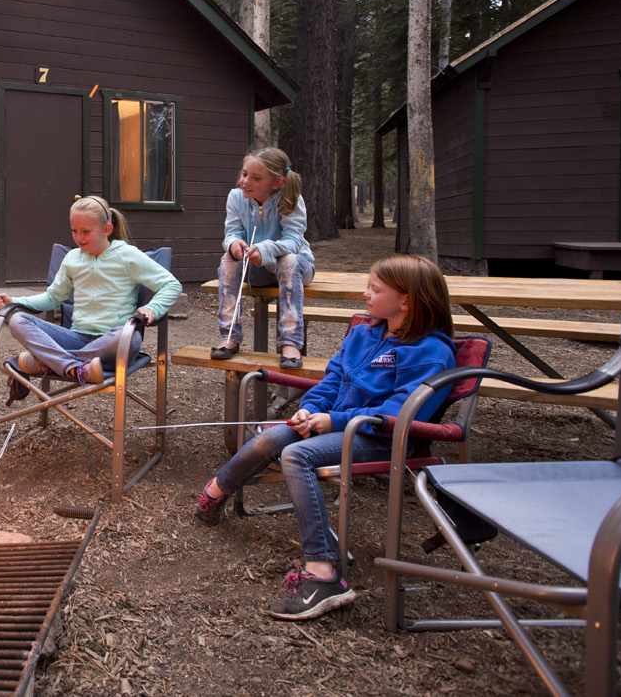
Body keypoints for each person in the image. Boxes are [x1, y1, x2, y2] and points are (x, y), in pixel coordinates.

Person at [194, 255, 457, 620]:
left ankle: (323, 574)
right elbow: (332, 380)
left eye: (375, 289)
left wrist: (332, 421)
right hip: (337, 425)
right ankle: (214, 493)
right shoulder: (365, 333)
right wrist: (309, 409)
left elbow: (399, 414)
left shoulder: (431, 351)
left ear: (406, 300)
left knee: (296, 456)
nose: (365, 294)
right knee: (275, 435)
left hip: (382, 439)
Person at [0, 196, 181, 385]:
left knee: (128, 337)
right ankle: (75, 368)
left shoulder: (127, 255)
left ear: (107, 229)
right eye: (74, 231)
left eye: (86, 232)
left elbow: (171, 285)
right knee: (17, 320)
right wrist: (15, 301)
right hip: (77, 337)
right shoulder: (73, 258)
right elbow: (54, 297)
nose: (78, 238)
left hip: (114, 341)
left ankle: (48, 362)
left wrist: (153, 308)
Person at [211, 146, 316, 370]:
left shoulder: (290, 199)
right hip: (256, 268)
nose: (245, 181)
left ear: (276, 183)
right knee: (227, 259)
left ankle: (290, 342)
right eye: (244, 174)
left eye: (256, 178)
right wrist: (234, 244)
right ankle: (229, 335)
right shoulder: (236, 198)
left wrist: (266, 249)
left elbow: (294, 241)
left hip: (294, 268)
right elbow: (232, 233)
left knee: (288, 260)